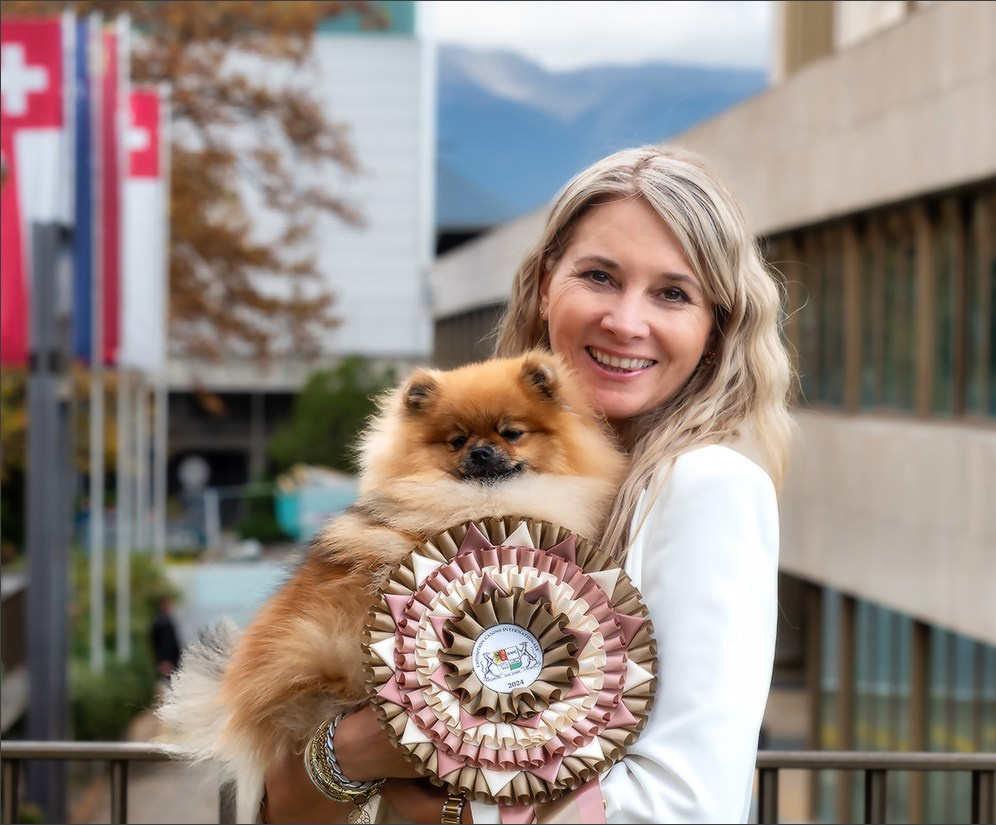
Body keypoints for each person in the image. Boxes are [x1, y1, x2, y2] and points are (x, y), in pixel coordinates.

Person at [259, 144, 793, 824]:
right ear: (545, 285)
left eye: (672, 293)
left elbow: (687, 806)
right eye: (599, 276)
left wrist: (447, 799)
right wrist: (347, 752)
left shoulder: (707, 485)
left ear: (713, 328)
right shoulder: (487, 482)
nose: (626, 321)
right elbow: (286, 794)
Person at [151, 595, 183, 680]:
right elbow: (165, 643)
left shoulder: (161, 620)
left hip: (167, 661)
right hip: (167, 662)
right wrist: (164, 660)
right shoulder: (163, 622)